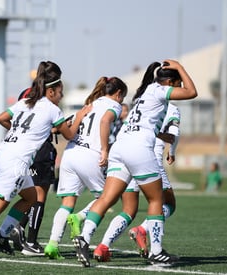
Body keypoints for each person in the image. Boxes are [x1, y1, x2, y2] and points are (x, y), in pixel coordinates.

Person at [0, 60, 91, 258]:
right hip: (17, 161)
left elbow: (1, 117)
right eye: (60, 91)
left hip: (5, 151)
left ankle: (2, 234)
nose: (61, 95)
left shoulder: (26, 101)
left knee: (30, 197)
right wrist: (80, 116)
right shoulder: (53, 109)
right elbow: (70, 135)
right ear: (51, 91)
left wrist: (20, 132)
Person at [73, 59, 197, 267]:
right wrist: (181, 67)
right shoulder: (159, 90)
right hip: (138, 149)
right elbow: (192, 92)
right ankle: (156, 251)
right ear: (170, 82)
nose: (178, 88)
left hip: (121, 146)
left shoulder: (146, 92)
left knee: (107, 198)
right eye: (176, 83)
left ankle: (84, 237)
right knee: (157, 200)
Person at [44, 76, 128, 260]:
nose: (122, 102)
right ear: (118, 94)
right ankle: (80, 217)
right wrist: (105, 149)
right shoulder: (113, 105)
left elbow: (64, 126)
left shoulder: (90, 104)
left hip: (71, 153)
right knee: (107, 198)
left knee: (67, 203)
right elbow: (105, 122)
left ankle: (52, 244)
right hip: (90, 154)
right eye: (122, 98)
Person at [90, 102, 181, 262]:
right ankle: (143, 231)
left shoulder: (141, 104)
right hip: (148, 158)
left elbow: (125, 129)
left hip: (127, 154)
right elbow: (174, 133)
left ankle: (103, 246)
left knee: (128, 210)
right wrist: (172, 152)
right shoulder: (171, 107)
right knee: (167, 203)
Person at [9, 88, 58, 256]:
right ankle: (31, 242)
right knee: (39, 197)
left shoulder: (24, 98)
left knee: (29, 196)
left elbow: (6, 119)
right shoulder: (44, 105)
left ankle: (17, 228)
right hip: (41, 150)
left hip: (23, 151)